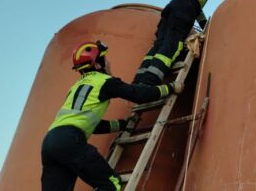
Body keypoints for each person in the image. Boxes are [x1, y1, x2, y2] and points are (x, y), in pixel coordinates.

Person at [41, 40, 183, 191]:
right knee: (110, 185)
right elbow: (138, 94)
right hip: (71, 140)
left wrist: (121, 124)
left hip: (50, 142)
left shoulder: (76, 87)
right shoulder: (104, 81)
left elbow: (92, 124)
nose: (109, 63)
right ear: (97, 65)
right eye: (105, 59)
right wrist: (169, 87)